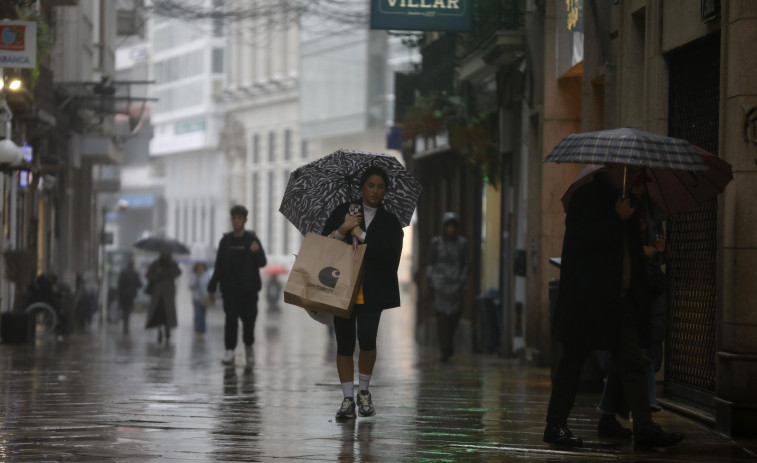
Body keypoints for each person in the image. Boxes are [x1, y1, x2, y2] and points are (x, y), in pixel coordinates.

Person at [543, 163, 684, 450]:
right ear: (612, 168)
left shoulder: (627, 201)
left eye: (636, 170)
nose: (634, 174)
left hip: (618, 301)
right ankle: (555, 425)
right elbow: (580, 244)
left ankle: (644, 428)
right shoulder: (587, 198)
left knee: (632, 361)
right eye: (628, 169)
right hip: (587, 300)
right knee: (572, 363)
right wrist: (614, 219)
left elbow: (631, 252)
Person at [321, 165, 404, 420]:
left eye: (380, 186)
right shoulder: (343, 212)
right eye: (371, 185)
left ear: (385, 191)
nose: (375, 191)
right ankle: (347, 398)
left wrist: (362, 234)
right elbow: (324, 245)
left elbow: (390, 257)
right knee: (344, 342)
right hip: (343, 287)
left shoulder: (390, 222)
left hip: (373, 290)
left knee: (367, 339)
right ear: (362, 187)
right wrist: (344, 229)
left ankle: (364, 393)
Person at [595, 171, 669, 436]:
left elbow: (653, 256)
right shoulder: (615, 211)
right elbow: (613, 249)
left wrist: (658, 252)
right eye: (636, 185)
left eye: (643, 186)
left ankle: (610, 416)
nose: (639, 190)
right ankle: (645, 418)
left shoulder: (650, 213)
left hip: (644, 292)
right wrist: (641, 249)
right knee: (636, 358)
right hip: (623, 296)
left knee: (630, 359)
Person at [207, 205, 267, 366]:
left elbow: (262, 262)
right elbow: (218, 266)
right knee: (231, 322)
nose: (236, 221)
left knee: (249, 323)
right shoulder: (225, 242)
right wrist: (212, 286)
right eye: (234, 218)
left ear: (245, 220)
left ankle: (248, 347)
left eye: (239, 218)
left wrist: (257, 251)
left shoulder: (252, 240)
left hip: (249, 291)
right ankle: (230, 351)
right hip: (230, 290)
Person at [426, 212, 468, 362]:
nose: (450, 229)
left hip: (456, 285)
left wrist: (463, 280)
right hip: (440, 285)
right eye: (448, 226)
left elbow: (465, 263)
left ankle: (449, 341)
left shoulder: (462, 243)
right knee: (442, 319)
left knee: (455, 317)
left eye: (453, 226)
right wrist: (430, 279)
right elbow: (430, 262)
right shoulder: (436, 242)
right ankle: (445, 348)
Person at [145, 252, 181, 343]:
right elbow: (148, 275)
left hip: (168, 293)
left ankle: (167, 329)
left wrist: (167, 272)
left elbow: (178, 273)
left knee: (167, 313)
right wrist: (157, 273)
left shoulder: (172, 264)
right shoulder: (155, 264)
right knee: (158, 314)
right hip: (157, 294)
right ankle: (159, 331)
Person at [117, 259, 143, 335]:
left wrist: (118, 293)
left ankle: (125, 323)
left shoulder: (123, 272)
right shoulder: (135, 273)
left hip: (123, 295)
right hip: (131, 295)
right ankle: (126, 325)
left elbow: (119, 283)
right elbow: (139, 284)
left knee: (124, 309)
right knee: (128, 310)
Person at [189, 262, 210, 338]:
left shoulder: (206, 275)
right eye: (199, 265)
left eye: (202, 265)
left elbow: (209, 285)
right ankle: (197, 331)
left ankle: (202, 331)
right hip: (196, 298)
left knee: (203, 315)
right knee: (198, 315)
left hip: (205, 298)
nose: (200, 267)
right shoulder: (194, 275)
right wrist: (196, 281)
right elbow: (190, 286)